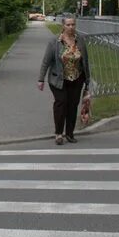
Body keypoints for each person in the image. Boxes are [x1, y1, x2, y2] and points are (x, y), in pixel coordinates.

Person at [37, 17, 91, 145]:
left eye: (73, 24)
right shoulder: (55, 42)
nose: (71, 27)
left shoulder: (80, 40)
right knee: (61, 103)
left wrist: (87, 80)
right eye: (68, 24)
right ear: (63, 25)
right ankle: (58, 134)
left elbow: (85, 61)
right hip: (58, 80)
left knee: (72, 106)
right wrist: (41, 79)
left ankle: (70, 133)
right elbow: (46, 61)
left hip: (77, 79)